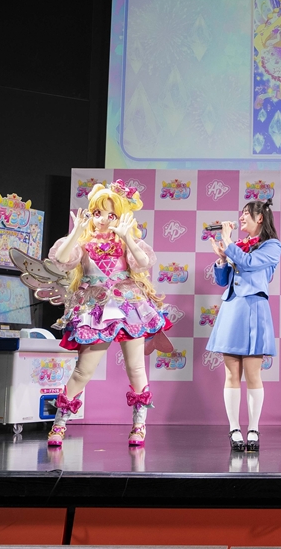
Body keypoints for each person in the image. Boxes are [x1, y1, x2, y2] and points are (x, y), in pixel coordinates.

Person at [45, 180, 171, 448]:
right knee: (83, 371)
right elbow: (61, 259)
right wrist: (75, 232)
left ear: (121, 217)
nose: (103, 219)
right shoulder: (83, 242)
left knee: (135, 367)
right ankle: (59, 424)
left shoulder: (125, 242)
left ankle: (139, 426)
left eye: (111, 214)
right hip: (95, 309)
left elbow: (144, 263)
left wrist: (127, 238)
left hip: (128, 307)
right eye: (98, 213)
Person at [207, 198, 281, 452]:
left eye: (246, 214)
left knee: (253, 374)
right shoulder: (238, 246)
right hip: (232, 308)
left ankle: (253, 428)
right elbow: (223, 280)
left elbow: (249, 264)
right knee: (231, 374)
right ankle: (234, 428)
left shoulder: (272, 246)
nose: (240, 218)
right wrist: (221, 259)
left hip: (254, 309)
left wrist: (228, 242)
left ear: (260, 217)